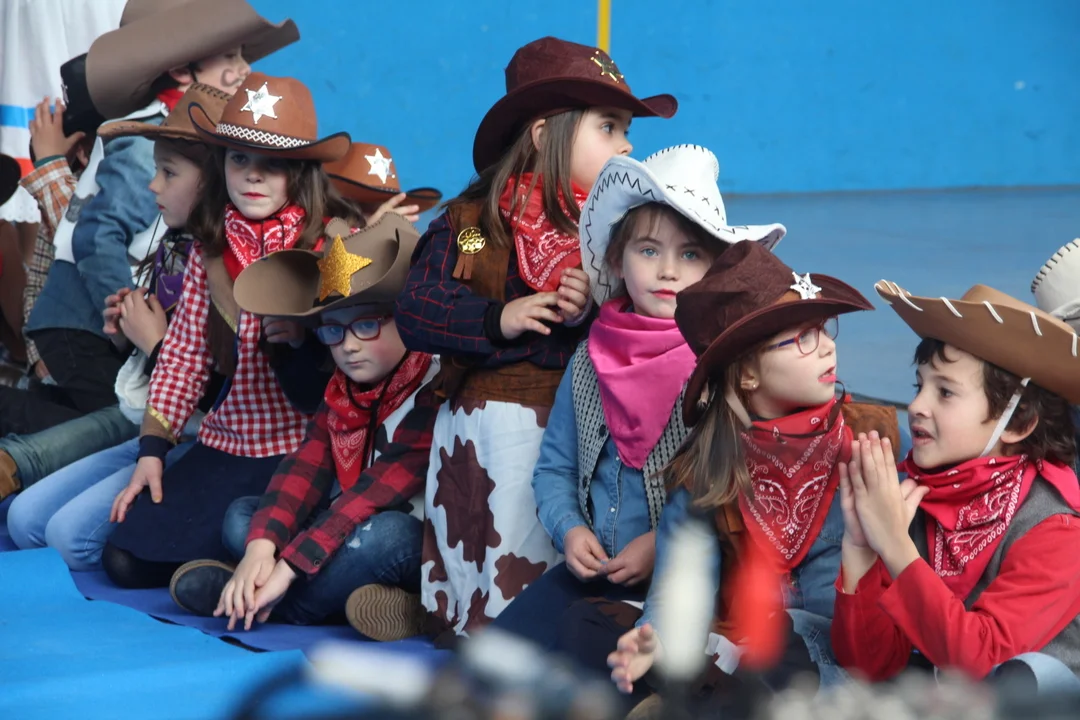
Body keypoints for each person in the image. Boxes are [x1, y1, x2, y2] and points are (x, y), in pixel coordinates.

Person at [395, 35, 677, 638]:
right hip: (473, 436)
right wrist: (499, 318)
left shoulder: (617, 241)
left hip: (555, 440)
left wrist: (594, 305)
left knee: (525, 560)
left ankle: (515, 639)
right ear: (546, 134)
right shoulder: (479, 228)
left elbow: (645, 339)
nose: (627, 144)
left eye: (627, 130)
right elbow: (423, 306)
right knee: (467, 541)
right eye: (609, 126)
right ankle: (447, 620)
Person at [490, 144, 785, 647]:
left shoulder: (718, 369)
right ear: (616, 259)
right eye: (648, 251)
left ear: (715, 270)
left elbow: (731, 489)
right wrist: (570, 530)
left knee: (597, 655)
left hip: (682, 580)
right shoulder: (589, 360)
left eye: (690, 254)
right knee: (500, 653)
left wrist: (656, 544)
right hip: (595, 572)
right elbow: (555, 468)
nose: (668, 270)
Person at [602, 242, 898, 707]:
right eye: (804, 338)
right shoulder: (706, 473)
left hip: (850, 665)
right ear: (747, 377)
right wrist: (655, 642)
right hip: (753, 661)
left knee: (782, 649)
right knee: (588, 626)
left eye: (823, 330)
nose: (827, 346)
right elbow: (679, 588)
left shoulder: (875, 441)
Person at [102, 72, 361, 589]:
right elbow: (183, 356)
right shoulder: (211, 248)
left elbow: (365, 361)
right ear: (221, 165)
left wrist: (305, 339)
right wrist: (152, 450)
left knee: (241, 531)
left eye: (273, 163)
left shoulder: (338, 245)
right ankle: (233, 572)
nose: (253, 176)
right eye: (239, 159)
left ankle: (254, 575)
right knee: (124, 559)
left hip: (307, 445)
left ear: (300, 171)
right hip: (230, 440)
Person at [3, 0, 297, 436]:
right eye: (229, 57)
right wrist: (126, 309)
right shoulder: (148, 144)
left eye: (241, 56)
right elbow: (97, 234)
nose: (243, 70)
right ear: (180, 71)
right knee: (123, 424)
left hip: (91, 323)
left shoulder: (173, 134)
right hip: (84, 325)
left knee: (102, 418)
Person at [169, 214, 441, 638]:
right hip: (344, 526)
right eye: (332, 330)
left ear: (406, 318)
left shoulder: (434, 385)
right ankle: (353, 598)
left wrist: (288, 566)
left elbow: (374, 494)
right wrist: (261, 548)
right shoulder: (341, 390)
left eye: (366, 324)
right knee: (243, 517)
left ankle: (265, 603)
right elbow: (305, 465)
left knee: (387, 535)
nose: (348, 346)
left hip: (409, 540)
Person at [6, 84, 229, 570]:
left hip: (206, 436)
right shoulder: (179, 247)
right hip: (160, 423)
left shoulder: (228, 262)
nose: (153, 186)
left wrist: (154, 343)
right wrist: (133, 333)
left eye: (168, 173)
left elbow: (233, 391)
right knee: (25, 521)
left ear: (213, 181)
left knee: (70, 539)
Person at [832, 281, 1080, 694]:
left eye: (945, 392)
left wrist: (895, 546)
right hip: (947, 706)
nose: (916, 406)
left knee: (1027, 674)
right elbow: (871, 666)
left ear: (1018, 422)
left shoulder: (1058, 531)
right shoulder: (918, 500)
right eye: (919, 386)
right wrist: (861, 549)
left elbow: (981, 660)